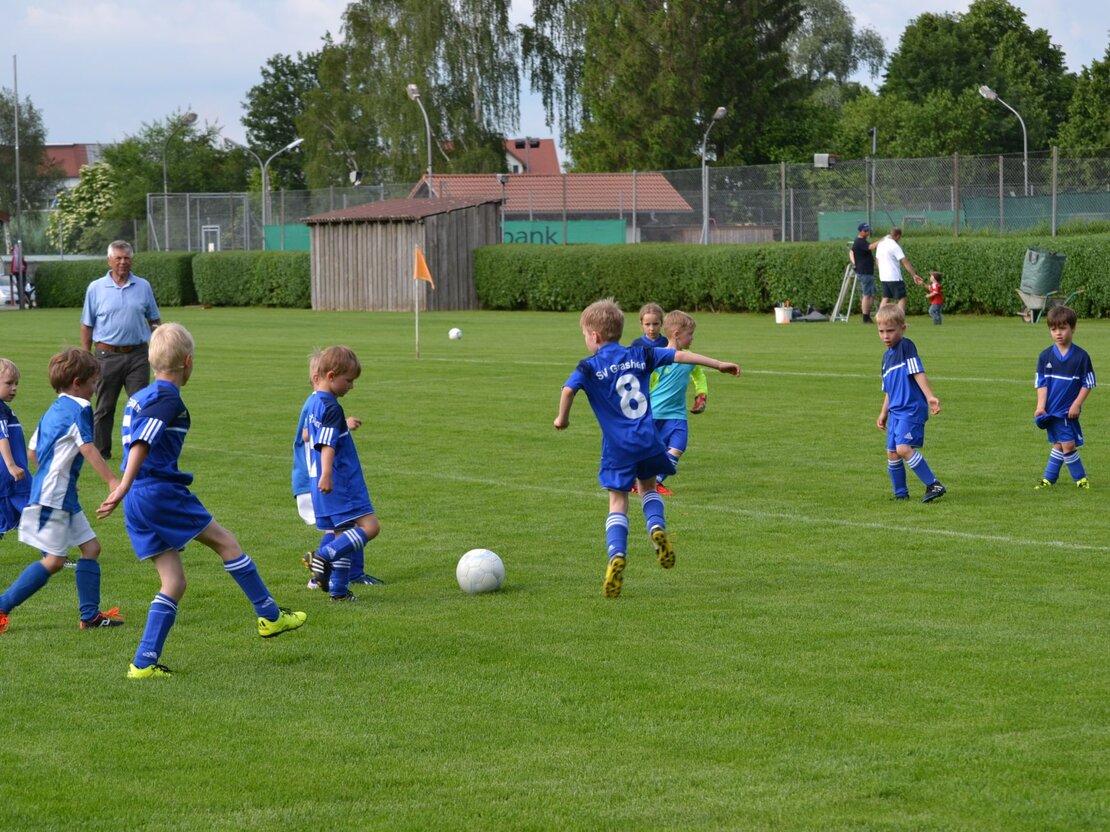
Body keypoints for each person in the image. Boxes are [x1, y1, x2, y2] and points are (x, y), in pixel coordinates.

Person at [96, 323, 306, 678]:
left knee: (174, 582)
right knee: (227, 543)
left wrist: (127, 489)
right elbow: (142, 443)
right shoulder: (167, 399)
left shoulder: (139, 397)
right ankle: (270, 616)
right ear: (188, 361)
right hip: (158, 492)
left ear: (151, 361)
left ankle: (143, 664)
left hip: (139, 500)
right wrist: (122, 485)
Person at [553, 298, 740, 598]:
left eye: (585, 335)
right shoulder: (641, 353)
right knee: (649, 489)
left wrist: (562, 419)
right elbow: (680, 355)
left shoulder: (588, 366)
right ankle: (656, 529)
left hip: (617, 448)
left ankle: (617, 554)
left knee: (618, 501)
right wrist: (719, 365)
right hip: (649, 439)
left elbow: (567, 390)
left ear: (595, 336)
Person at [0, 349, 123, 634]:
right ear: (78, 383)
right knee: (54, 561)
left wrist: (59, 472)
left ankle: (90, 617)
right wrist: (111, 481)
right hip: (53, 495)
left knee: (91, 548)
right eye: (94, 382)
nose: (96, 388)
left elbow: (33, 452)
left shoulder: (53, 410)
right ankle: (2, 605)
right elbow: (87, 447)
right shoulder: (80, 408)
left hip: (60, 492)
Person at [294, 353, 382, 590]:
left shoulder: (314, 401)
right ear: (331, 376)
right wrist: (327, 474)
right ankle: (321, 556)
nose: (352, 386)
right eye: (349, 380)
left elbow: (310, 435)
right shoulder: (331, 407)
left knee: (343, 532)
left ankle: (339, 591)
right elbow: (327, 444)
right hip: (340, 483)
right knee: (371, 527)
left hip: (320, 482)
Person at [80, 240, 161, 460]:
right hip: (106, 356)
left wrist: (160, 347)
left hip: (138, 355)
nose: (123, 262)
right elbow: (87, 325)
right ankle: (101, 452)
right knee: (105, 407)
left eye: (126, 258)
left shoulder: (143, 286)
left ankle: (139, 450)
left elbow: (154, 320)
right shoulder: (96, 288)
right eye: (118, 258)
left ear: (131, 260)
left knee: (141, 405)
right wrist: (86, 357)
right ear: (109, 260)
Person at [875, 306, 946, 503]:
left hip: (911, 408)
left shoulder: (906, 347)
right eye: (881, 331)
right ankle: (900, 495)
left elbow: (917, 372)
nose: (886, 336)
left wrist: (930, 396)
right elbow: (889, 390)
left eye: (890, 331)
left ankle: (934, 484)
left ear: (903, 328)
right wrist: (883, 413)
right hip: (895, 411)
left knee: (903, 448)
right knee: (892, 453)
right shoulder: (886, 359)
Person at [647, 310, 709, 496]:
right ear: (676, 334)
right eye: (689, 334)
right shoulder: (658, 357)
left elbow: (699, 375)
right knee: (651, 450)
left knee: (679, 446)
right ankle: (640, 480)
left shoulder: (690, 359)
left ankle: (656, 481)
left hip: (677, 414)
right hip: (656, 412)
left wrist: (701, 394)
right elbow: (648, 382)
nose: (692, 338)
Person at [1033, 306, 1095, 490]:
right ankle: (1048, 479)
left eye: (1063, 328)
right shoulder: (1045, 356)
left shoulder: (1081, 357)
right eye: (1053, 329)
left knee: (1067, 445)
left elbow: (1088, 383)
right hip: (1051, 411)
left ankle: (1081, 480)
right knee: (1059, 445)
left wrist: (1077, 404)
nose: (1058, 333)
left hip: (1067, 411)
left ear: (1073, 328)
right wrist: (1040, 407)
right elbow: (1041, 384)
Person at [0, 358, 30, 540]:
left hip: (5, 478)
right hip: (13, 478)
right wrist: (11, 466)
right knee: (37, 515)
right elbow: (1, 436)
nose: (14, 388)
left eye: (16, 384)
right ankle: (53, 553)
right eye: (9, 383)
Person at [875, 227, 923, 312]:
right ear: (898, 236)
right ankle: (900, 318)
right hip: (894, 277)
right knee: (902, 298)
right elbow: (904, 261)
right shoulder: (894, 246)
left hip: (883, 277)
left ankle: (880, 318)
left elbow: (877, 260)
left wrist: (882, 271)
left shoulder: (881, 244)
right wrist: (914, 275)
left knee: (885, 297)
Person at [849, 223, 879, 323]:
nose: (867, 232)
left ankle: (867, 314)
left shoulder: (862, 242)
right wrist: (882, 241)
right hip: (864, 272)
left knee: (872, 294)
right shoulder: (859, 242)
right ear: (860, 231)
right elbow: (871, 247)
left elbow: (851, 252)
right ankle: (865, 317)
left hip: (868, 272)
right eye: (865, 231)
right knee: (867, 294)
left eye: (868, 230)